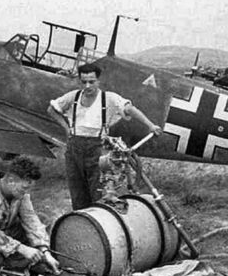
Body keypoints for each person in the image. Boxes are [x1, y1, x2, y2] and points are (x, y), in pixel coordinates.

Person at [47, 62, 162, 210]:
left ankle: (100, 224)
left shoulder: (109, 98)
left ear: (98, 81)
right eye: (84, 82)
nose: (87, 86)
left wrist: (150, 125)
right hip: (74, 150)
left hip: (97, 151)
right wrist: (66, 128)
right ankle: (83, 223)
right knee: (77, 193)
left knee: (98, 193)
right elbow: (52, 109)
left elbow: (130, 109)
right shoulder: (73, 97)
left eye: (91, 82)